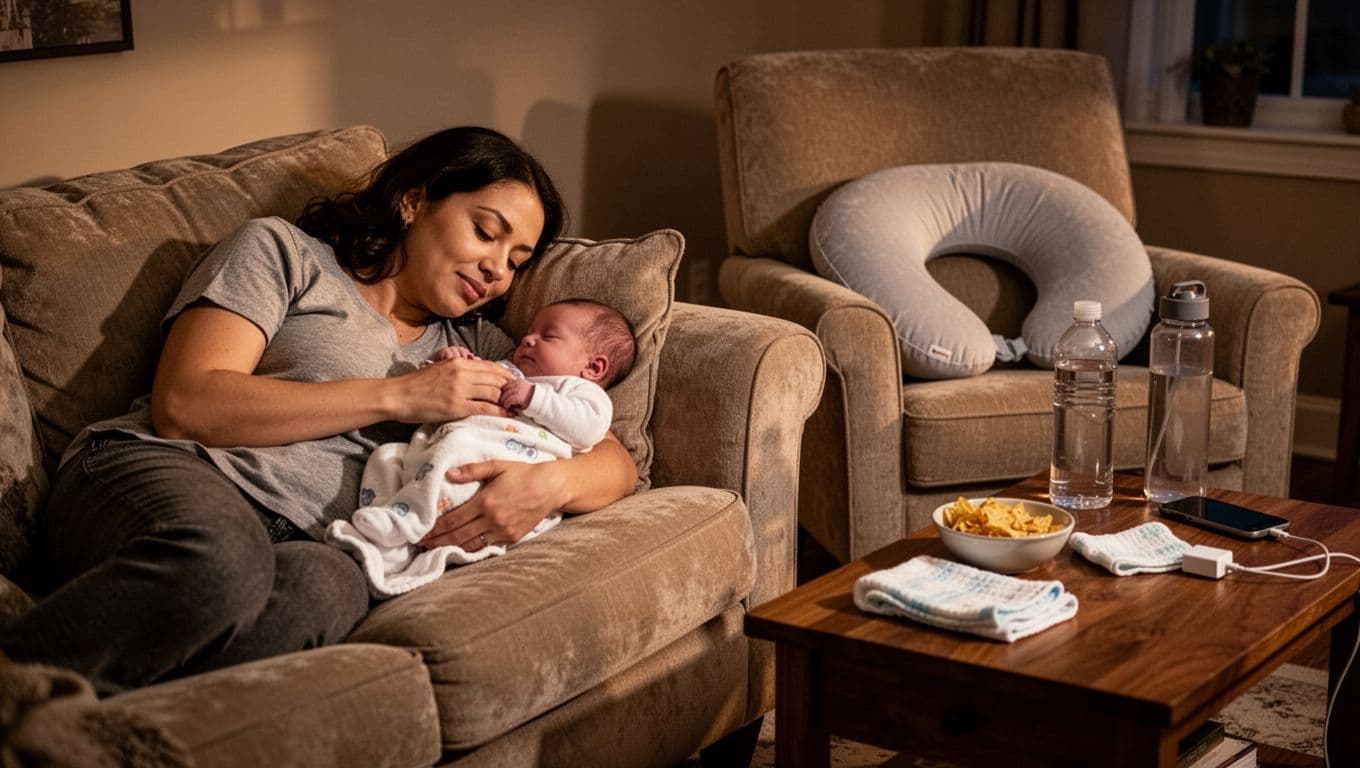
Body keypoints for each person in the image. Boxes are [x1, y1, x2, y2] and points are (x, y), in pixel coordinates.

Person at [0, 127, 638, 696]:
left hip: (313, 538)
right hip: (162, 471)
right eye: (485, 231)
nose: (497, 270)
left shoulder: (476, 343)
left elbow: (612, 457)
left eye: (516, 261)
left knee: (327, 592)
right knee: (223, 559)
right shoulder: (284, 254)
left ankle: (98, 732)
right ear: (414, 201)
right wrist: (400, 395)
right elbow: (187, 403)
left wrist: (547, 485)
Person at [328, 298, 636, 597]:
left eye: (548, 336)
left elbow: (589, 429)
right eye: (530, 331)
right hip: (432, 452)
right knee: (387, 455)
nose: (528, 339)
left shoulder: (577, 392)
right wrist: (450, 363)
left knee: (458, 451)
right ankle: (388, 531)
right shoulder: (508, 369)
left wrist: (534, 398)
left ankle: (405, 524)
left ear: (593, 367)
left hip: (488, 472)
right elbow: (455, 385)